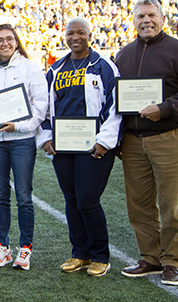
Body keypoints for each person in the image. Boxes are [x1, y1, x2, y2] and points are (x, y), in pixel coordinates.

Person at [115, 0, 178, 286]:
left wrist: (164, 107)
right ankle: (150, 258)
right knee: (139, 204)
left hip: (168, 136)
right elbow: (115, 100)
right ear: (134, 20)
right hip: (132, 140)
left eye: (152, 15)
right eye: (141, 16)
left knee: (172, 203)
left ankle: (171, 261)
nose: (147, 21)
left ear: (162, 19)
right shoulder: (123, 54)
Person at [38, 17, 122, 277]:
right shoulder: (56, 69)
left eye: (81, 33)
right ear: (65, 36)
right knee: (72, 200)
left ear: (89, 34)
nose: (75, 37)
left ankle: (100, 255)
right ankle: (80, 253)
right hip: (64, 146)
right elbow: (45, 107)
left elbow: (114, 106)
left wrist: (104, 141)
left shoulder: (104, 66)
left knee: (88, 199)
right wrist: (46, 138)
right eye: (70, 33)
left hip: (93, 146)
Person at [0, 24, 48, 269]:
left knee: (24, 196)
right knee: (0, 196)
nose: (5, 44)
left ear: (16, 42)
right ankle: (1, 246)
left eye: (9, 39)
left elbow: (40, 107)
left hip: (21, 141)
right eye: (0, 41)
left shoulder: (30, 68)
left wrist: (17, 126)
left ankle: (25, 248)